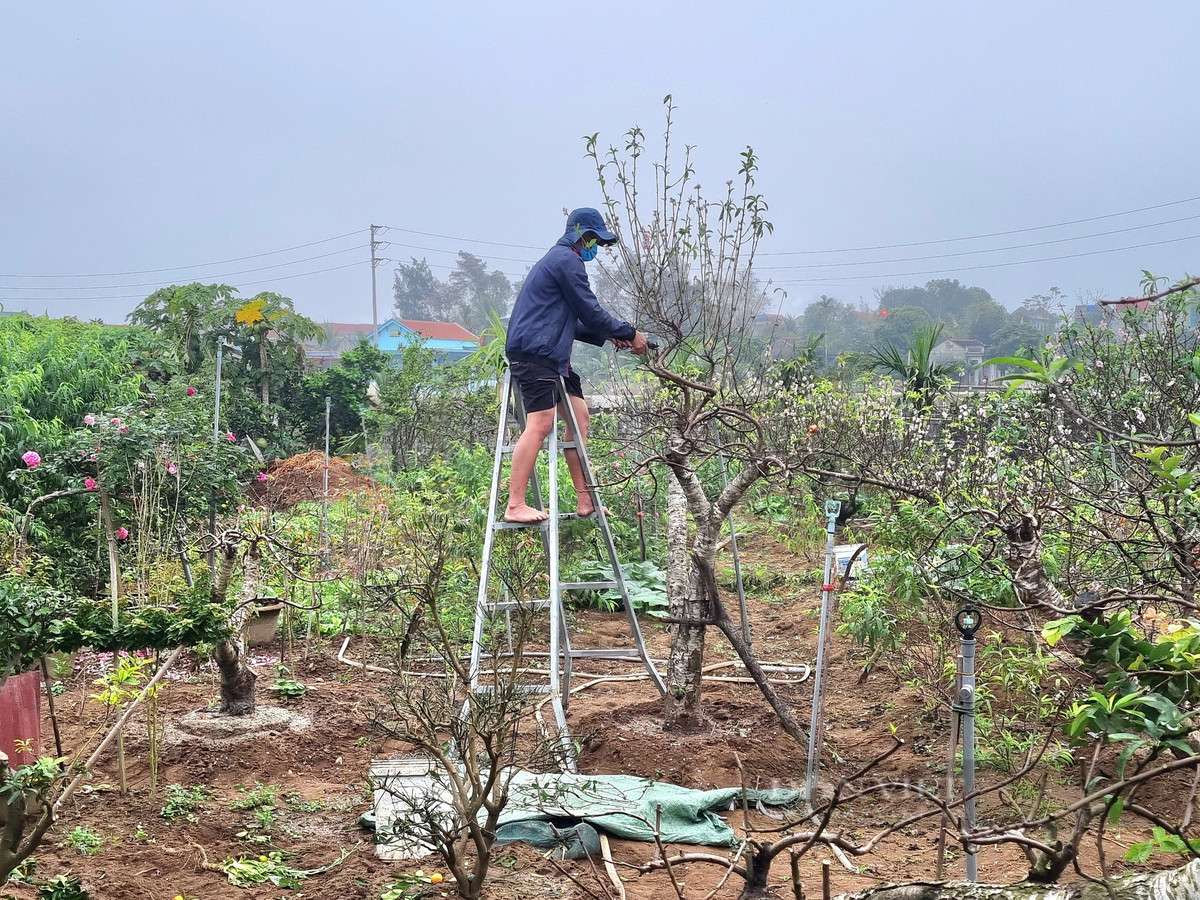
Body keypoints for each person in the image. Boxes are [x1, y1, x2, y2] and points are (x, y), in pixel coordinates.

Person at [502, 207, 649, 524]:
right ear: (582, 235)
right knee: (541, 423)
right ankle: (515, 504)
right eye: (594, 238)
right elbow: (592, 312)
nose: (595, 246)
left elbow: (576, 322)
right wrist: (629, 333)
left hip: (554, 357)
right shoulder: (566, 261)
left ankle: (586, 500)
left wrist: (611, 337)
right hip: (535, 353)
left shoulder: (560, 261)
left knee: (580, 418)